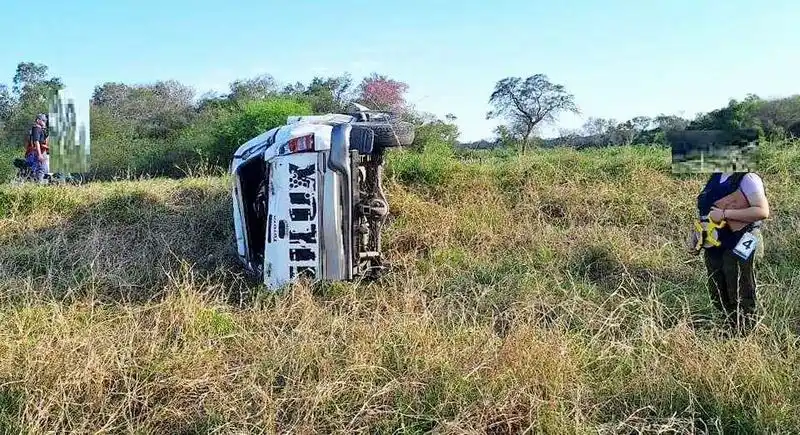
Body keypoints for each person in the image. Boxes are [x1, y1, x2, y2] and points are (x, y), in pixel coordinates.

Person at [687, 170, 769, 335]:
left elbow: (762, 211)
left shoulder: (748, 178)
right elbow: (707, 212)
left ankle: (746, 334)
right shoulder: (715, 177)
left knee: (741, 285)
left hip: (745, 238)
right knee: (718, 286)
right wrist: (696, 235)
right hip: (715, 242)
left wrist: (725, 214)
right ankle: (726, 329)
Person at [25, 113, 50, 182]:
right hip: (35, 153)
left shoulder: (40, 129)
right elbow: (37, 142)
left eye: (45, 121)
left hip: (36, 153)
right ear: (38, 120)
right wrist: (39, 155)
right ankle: (38, 186)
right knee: (41, 169)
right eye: (43, 120)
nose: (45, 122)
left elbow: (41, 142)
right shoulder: (36, 128)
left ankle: (33, 182)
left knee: (42, 169)